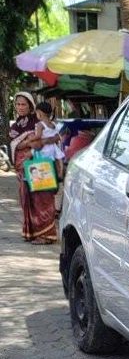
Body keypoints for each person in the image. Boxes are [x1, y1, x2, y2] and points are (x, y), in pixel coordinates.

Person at [8, 91, 56, 244]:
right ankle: (32, 232)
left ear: (30, 106)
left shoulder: (39, 121)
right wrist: (29, 142)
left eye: (24, 104)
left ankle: (47, 234)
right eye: (18, 104)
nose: (20, 107)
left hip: (40, 164)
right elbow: (16, 145)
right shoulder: (15, 126)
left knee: (42, 198)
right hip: (24, 167)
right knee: (26, 198)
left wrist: (30, 143)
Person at [34, 100, 65, 180]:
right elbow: (57, 135)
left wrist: (30, 139)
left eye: (36, 113)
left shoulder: (40, 124)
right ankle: (60, 172)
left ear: (40, 113)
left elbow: (38, 136)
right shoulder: (53, 124)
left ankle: (45, 178)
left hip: (45, 147)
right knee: (59, 158)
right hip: (54, 146)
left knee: (44, 164)